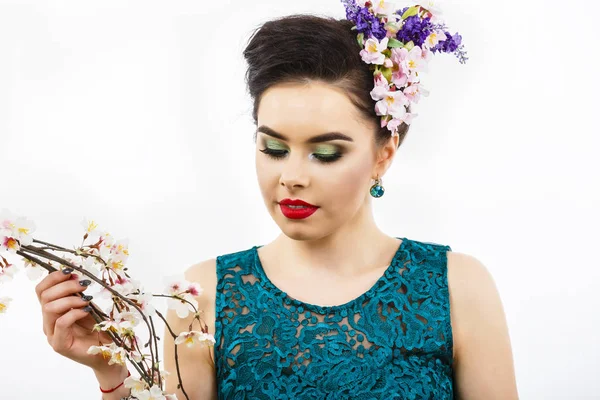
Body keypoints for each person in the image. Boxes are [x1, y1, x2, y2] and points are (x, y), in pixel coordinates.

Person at [35, 3, 519, 400]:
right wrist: (109, 371)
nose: (291, 177)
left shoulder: (456, 288)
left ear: (383, 156)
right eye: (273, 148)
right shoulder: (203, 296)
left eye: (325, 153)